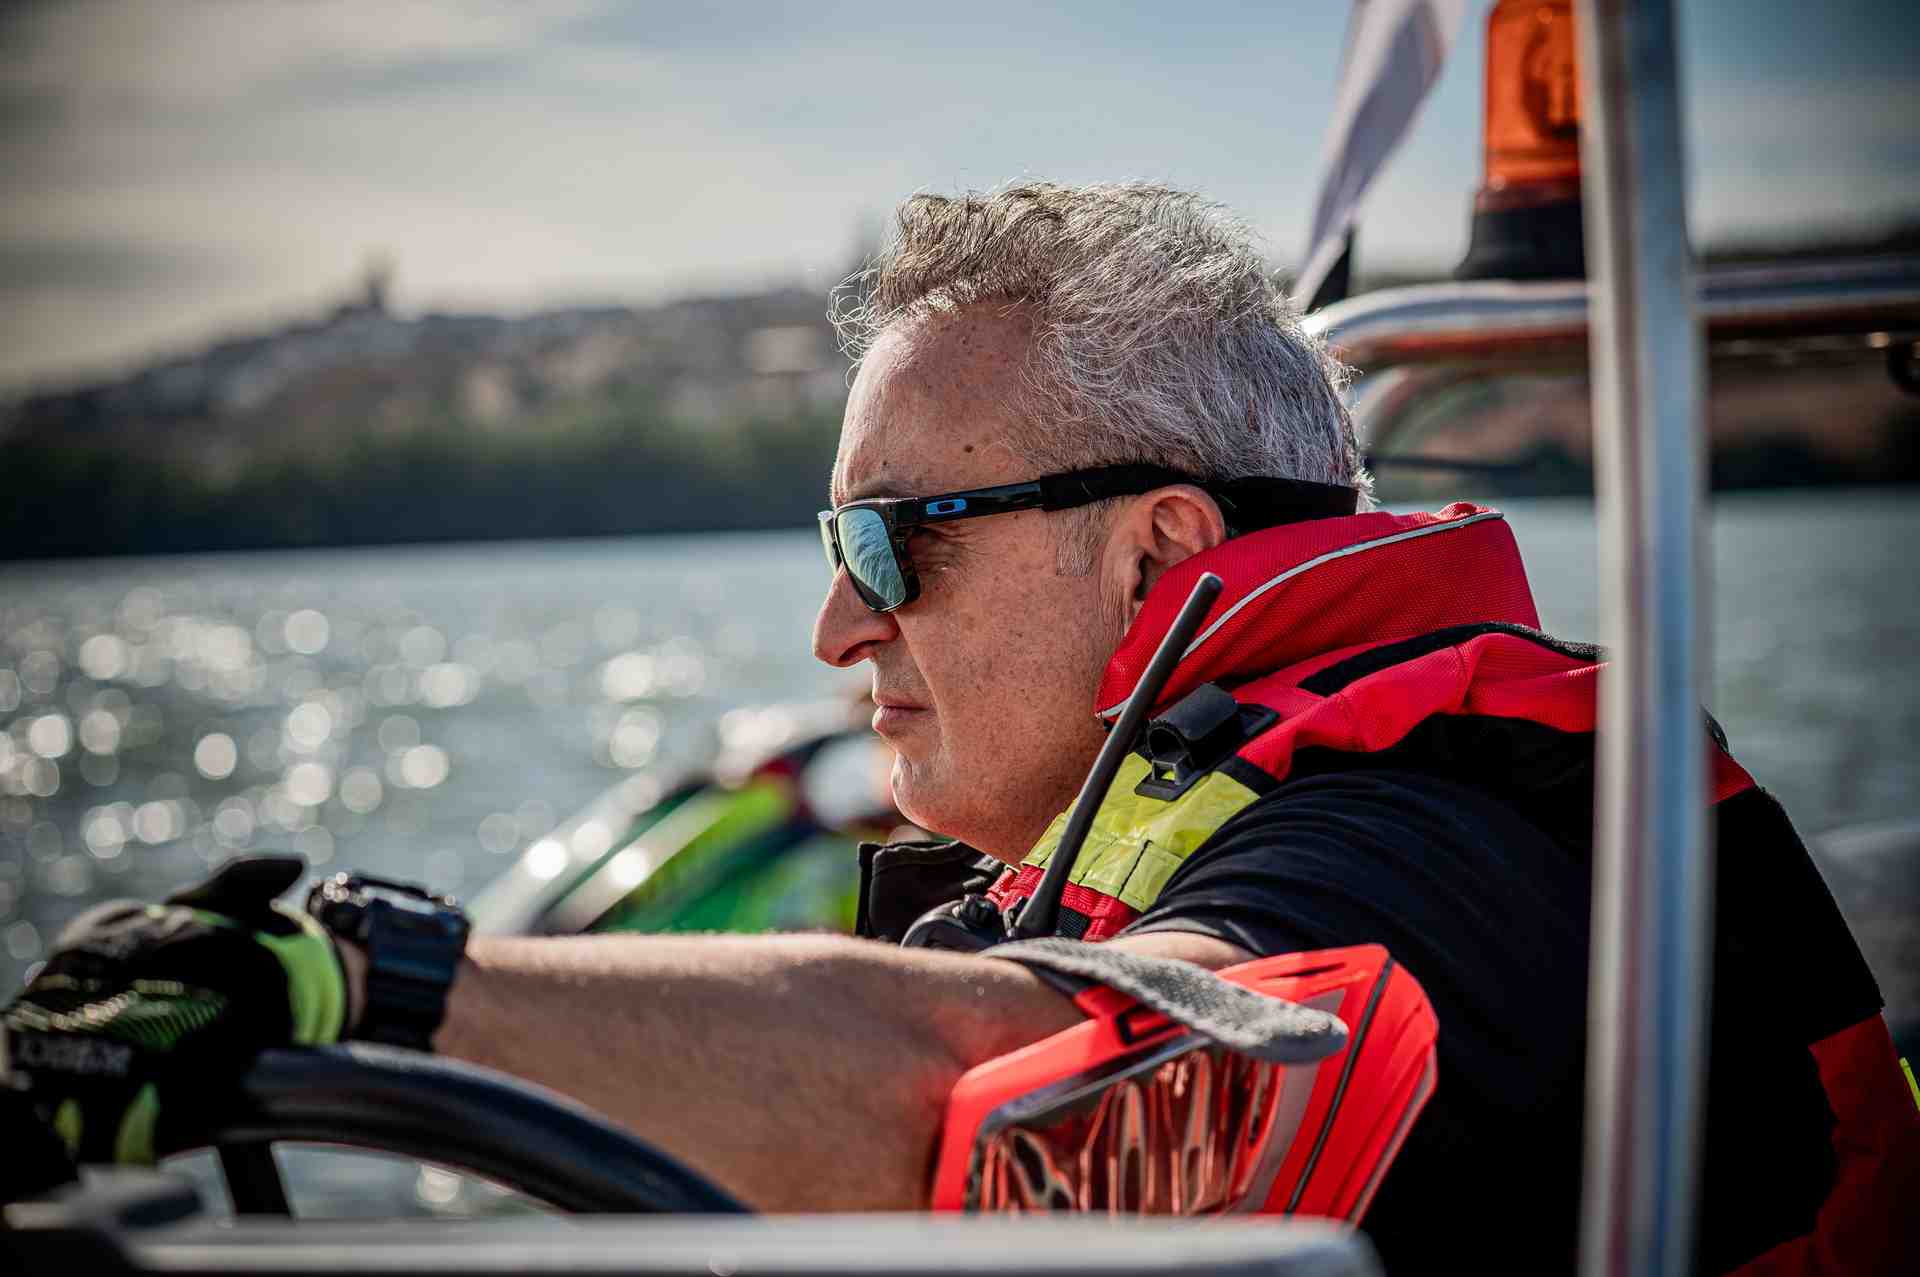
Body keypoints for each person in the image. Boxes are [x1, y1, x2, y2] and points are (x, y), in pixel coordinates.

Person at [4, 183, 1915, 1273]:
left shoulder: (1428, 853)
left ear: (1163, 550)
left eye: (891, 541)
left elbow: (1010, 1088)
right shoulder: (1198, 815)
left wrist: (365, 986)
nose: (838, 624)